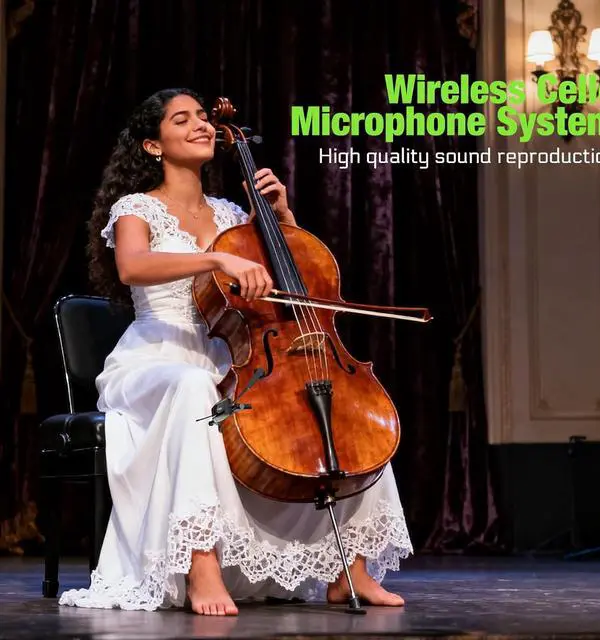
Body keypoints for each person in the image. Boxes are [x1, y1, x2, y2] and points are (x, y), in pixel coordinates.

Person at [58, 88, 412, 616]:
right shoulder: (136, 208)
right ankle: (201, 567)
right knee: (194, 387)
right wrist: (216, 259)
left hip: (232, 356)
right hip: (156, 360)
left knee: (344, 408)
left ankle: (350, 571)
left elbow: (294, 278)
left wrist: (281, 218)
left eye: (203, 117)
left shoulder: (231, 215)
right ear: (154, 145)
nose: (201, 125)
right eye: (183, 120)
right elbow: (133, 266)